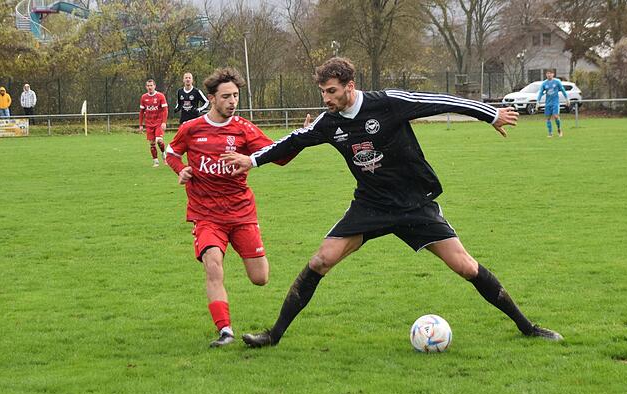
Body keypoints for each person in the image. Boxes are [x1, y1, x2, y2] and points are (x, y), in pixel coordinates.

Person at [221, 57, 563, 349]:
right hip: (371, 206)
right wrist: (251, 162)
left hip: (415, 204)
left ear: (349, 86)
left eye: (332, 91)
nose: (326, 98)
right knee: (320, 261)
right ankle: (274, 335)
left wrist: (489, 114)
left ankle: (528, 328)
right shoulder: (330, 123)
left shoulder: (388, 103)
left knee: (466, 267)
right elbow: (291, 141)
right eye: (323, 92)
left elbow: (439, 100)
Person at [164, 67, 294, 348]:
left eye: (235, 95)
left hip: (242, 212)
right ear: (212, 98)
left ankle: (240, 251)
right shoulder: (192, 129)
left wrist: (301, 136)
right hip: (206, 214)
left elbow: (279, 157)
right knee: (213, 266)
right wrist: (181, 169)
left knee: (260, 278)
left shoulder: (244, 129)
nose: (232, 101)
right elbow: (172, 152)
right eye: (226, 96)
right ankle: (225, 331)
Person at [139, 79, 168, 167]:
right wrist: (140, 125)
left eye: (151, 85)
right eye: (148, 86)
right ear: (146, 87)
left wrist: (164, 122)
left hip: (158, 122)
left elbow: (165, 110)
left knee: (159, 140)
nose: (150, 87)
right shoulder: (144, 97)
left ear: (154, 86)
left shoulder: (160, 96)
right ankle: (156, 161)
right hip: (149, 123)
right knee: (152, 143)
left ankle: (164, 154)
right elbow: (141, 112)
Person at [536, 70, 569, 138]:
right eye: (547, 73)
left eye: (550, 73)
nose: (549, 75)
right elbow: (540, 92)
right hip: (548, 103)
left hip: (555, 103)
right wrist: (537, 101)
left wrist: (567, 99)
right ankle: (550, 133)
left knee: (556, 116)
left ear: (553, 74)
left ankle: (559, 130)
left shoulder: (557, 82)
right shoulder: (544, 83)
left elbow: (562, 90)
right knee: (548, 118)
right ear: (546, 74)